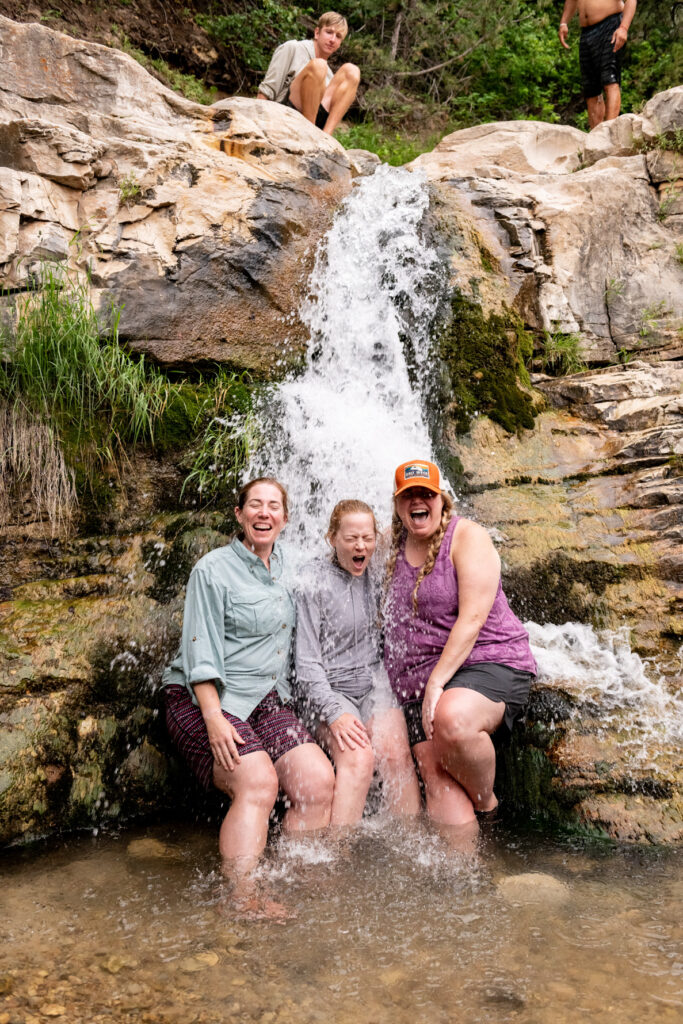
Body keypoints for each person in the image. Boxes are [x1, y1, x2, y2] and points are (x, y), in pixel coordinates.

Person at [161, 477, 335, 915]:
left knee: (317, 781)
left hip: (265, 698)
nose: (264, 513)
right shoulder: (212, 570)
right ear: (239, 515)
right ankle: (241, 898)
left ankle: (290, 879)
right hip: (204, 698)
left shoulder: (292, 565)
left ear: (285, 518)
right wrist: (213, 717)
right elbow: (199, 653)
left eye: (273, 506)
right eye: (254, 505)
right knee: (258, 782)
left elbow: (348, 557)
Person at [383, 460, 537, 828]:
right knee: (438, 781)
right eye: (409, 495)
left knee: (450, 718)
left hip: (487, 661)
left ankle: (488, 808)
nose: (418, 501)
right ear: (398, 504)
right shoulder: (392, 546)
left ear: (441, 499)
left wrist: (436, 683)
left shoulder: (466, 536)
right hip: (416, 684)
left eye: (427, 494)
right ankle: (461, 881)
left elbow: (472, 619)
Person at [295, 500, 421, 825]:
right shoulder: (313, 581)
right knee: (359, 757)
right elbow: (306, 663)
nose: (360, 546)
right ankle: (339, 855)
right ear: (332, 538)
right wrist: (334, 714)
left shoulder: (377, 570)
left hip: (372, 686)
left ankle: (410, 848)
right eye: (351, 538)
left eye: (367, 538)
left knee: (395, 753)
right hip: (330, 692)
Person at [257, 11, 360, 136]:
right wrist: (259, 127)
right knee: (318, 66)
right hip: (285, 115)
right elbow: (266, 91)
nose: (332, 39)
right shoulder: (292, 48)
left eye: (338, 36)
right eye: (329, 32)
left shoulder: (330, 75)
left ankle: (326, 137)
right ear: (317, 33)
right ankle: (309, 135)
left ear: (340, 44)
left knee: (352, 71)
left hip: (317, 123)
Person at [559, 1, 638, 129]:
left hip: (610, 24)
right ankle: (596, 138)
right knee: (591, 90)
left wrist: (624, 28)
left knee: (610, 80)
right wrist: (564, 22)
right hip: (586, 32)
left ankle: (609, 132)